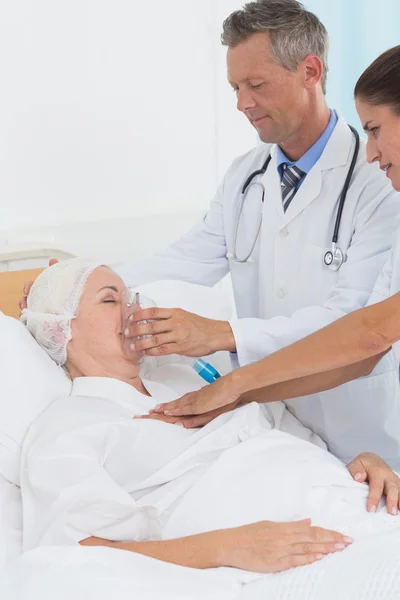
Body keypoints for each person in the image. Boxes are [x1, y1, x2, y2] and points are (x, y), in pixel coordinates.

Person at [19, 4, 400, 465]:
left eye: (255, 85)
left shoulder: (379, 178)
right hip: (279, 423)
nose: (242, 103)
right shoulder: (245, 177)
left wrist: (223, 337)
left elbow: (358, 327)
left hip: (365, 427)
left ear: (310, 71)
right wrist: (78, 281)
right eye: (235, 88)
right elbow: (185, 260)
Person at [19, 258, 400, 577]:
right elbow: (74, 552)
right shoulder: (67, 425)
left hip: (360, 510)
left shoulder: (187, 379)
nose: (133, 309)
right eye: (109, 300)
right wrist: (224, 547)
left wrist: (359, 466)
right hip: (304, 555)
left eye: (131, 296)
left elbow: (291, 439)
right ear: (60, 326)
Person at [146, 46, 400, 478]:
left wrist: (235, 371)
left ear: (310, 71)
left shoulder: (374, 187)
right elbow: (364, 354)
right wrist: (240, 393)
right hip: (323, 447)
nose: (372, 154)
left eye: (376, 129)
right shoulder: (245, 176)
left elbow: (368, 333)